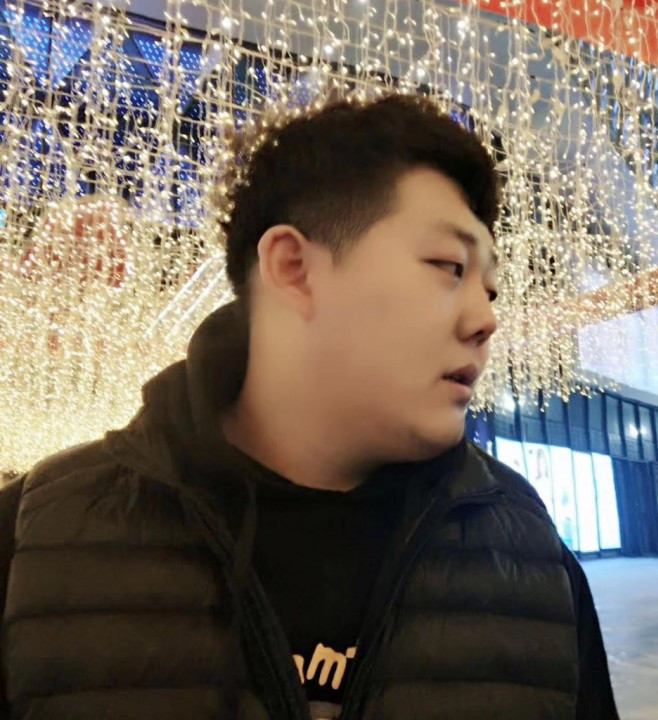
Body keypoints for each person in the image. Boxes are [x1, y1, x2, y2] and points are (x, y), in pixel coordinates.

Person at [0, 95, 619, 720]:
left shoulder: (529, 556)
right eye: (447, 266)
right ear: (293, 267)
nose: (485, 320)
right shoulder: (36, 537)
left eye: (489, 290)